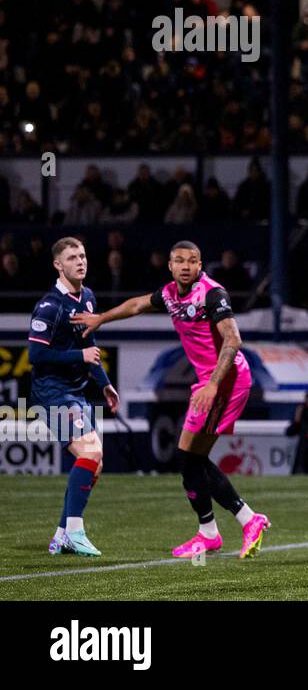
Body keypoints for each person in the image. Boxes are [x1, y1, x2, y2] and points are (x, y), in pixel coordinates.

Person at [74, 241, 271, 560]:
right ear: (169, 265)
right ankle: (233, 525)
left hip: (226, 380)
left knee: (189, 459)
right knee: (191, 459)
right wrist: (100, 319)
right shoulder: (168, 294)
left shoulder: (212, 294)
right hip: (209, 382)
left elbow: (233, 340)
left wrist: (212, 385)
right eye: (178, 261)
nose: (185, 266)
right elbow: (137, 304)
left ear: (200, 265)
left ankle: (231, 526)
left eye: (191, 261)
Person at [29, 237, 119, 557]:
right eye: (72, 257)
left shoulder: (88, 297)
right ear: (58, 265)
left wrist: (104, 383)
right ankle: (76, 531)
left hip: (75, 393)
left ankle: (62, 534)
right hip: (50, 393)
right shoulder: (50, 306)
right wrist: (78, 357)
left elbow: (89, 343)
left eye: (82, 255)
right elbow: (36, 355)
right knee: (91, 453)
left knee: (94, 463)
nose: (80, 261)